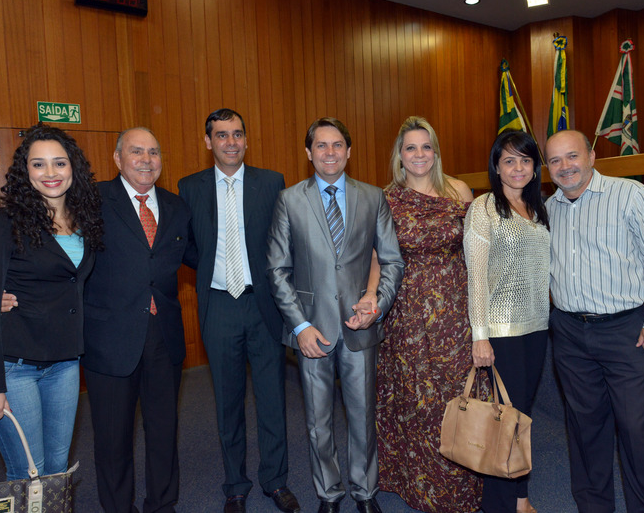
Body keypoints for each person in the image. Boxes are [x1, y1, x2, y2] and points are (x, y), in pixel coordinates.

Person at [267, 117, 404, 513]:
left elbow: (392, 261)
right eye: (321, 146)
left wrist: (377, 305)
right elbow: (277, 269)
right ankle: (328, 493)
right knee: (317, 421)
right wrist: (300, 326)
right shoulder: (289, 200)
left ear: (349, 151)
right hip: (312, 330)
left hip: (361, 327)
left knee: (362, 416)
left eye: (337, 145)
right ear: (308, 153)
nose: (330, 152)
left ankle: (365, 492)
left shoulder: (373, 197)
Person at [545, 129, 644, 513]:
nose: (565, 166)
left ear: (591, 156)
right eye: (555, 160)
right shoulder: (548, 208)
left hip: (625, 330)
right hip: (569, 333)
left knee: (637, 430)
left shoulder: (629, 195)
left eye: (572, 156)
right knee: (584, 429)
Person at [177, 109, 300, 513]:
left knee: (272, 398)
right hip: (218, 306)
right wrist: (212, 269)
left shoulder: (272, 182)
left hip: (263, 304)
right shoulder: (189, 187)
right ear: (208, 142)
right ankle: (235, 485)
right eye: (221, 135)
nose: (230, 142)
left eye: (237, 134)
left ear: (246, 140)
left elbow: (283, 241)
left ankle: (275, 480)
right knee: (227, 402)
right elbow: (188, 245)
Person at [0, 123, 103, 480]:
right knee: (29, 472)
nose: (50, 173)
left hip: (65, 365)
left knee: (57, 470)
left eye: (59, 163)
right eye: (38, 164)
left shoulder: (86, 222)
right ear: (24, 171)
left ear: (73, 167)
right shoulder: (1, 223)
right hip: (15, 368)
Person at [82, 127, 193, 513]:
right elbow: (62, 254)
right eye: (137, 152)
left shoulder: (176, 207)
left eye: (154, 152)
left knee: (164, 430)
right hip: (109, 340)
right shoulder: (92, 199)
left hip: (164, 335)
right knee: (113, 438)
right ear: (117, 158)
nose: (147, 160)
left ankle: (162, 504)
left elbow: (198, 255)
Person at [374, 116, 482, 513]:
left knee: (457, 394)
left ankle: (462, 486)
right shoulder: (386, 199)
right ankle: (418, 483)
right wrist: (371, 298)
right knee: (415, 397)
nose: (419, 154)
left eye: (426, 147)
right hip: (406, 312)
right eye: (411, 148)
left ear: (435, 152)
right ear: (400, 156)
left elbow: (478, 250)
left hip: (456, 309)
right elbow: (376, 259)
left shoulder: (458, 190)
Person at [463, 130, 550, 513]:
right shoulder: (484, 208)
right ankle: (499, 505)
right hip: (501, 332)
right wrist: (480, 336)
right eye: (509, 160)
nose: (518, 168)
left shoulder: (538, 208)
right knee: (505, 422)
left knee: (522, 417)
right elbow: (476, 277)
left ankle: (519, 498)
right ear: (496, 167)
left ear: (534, 167)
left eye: (525, 160)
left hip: (538, 328)